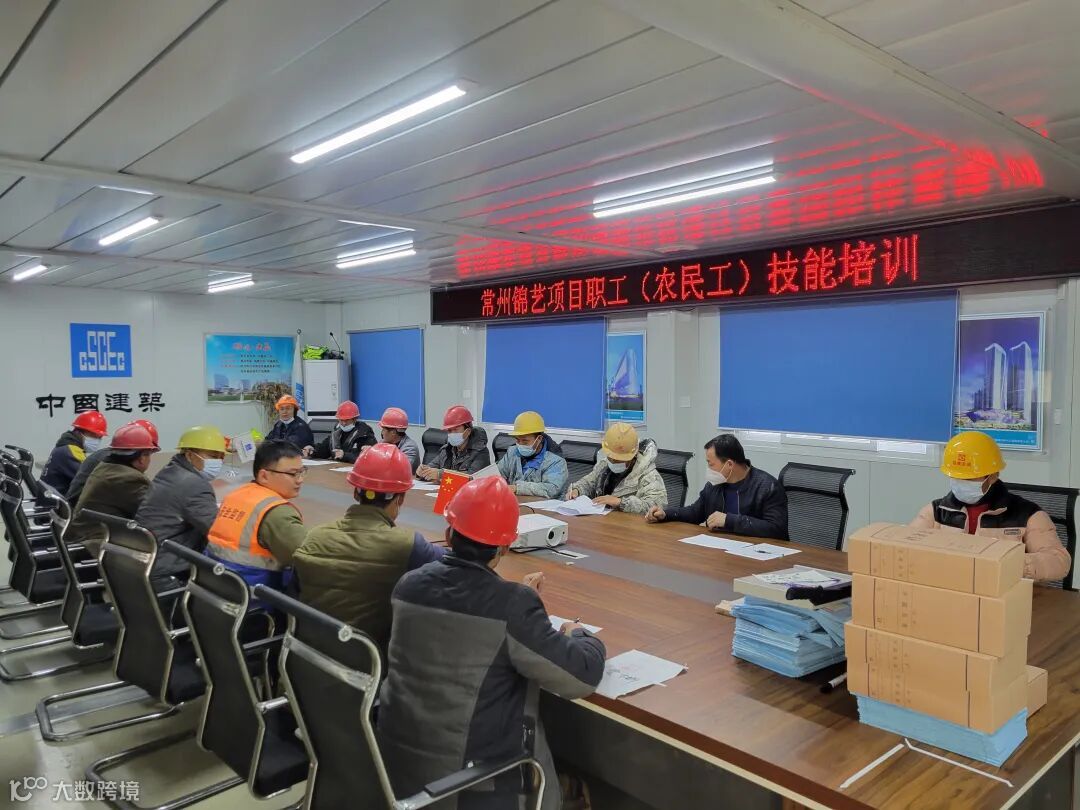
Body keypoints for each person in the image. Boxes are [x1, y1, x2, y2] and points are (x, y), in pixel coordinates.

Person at [378, 476, 606, 810]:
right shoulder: (512, 606)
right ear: (503, 549)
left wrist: (518, 601)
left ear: (448, 535)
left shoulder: (408, 586)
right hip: (472, 785)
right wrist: (579, 634)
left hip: (395, 770)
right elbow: (581, 676)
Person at [293, 443, 446, 653]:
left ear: (356, 493)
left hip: (304, 658)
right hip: (369, 664)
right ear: (401, 498)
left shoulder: (314, 536)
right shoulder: (407, 545)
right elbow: (454, 564)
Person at [911, 431, 1071, 582]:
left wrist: (1013, 565)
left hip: (1002, 593)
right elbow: (906, 546)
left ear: (993, 476)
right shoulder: (936, 511)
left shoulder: (1027, 515)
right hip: (951, 590)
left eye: (970, 478)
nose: (961, 483)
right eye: (956, 477)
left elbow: (1059, 561)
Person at [205, 439, 307, 590]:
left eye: (302, 472)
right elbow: (307, 558)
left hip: (212, 584)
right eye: (293, 474)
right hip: (252, 594)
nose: (300, 480)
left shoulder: (235, 495)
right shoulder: (276, 512)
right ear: (264, 476)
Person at [646, 434, 788, 540]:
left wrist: (729, 520)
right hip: (721, 551)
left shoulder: (768, 487)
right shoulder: (715, 484)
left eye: (711, 464)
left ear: (729, 464)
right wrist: (666, 514)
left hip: (758, 556)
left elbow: (776, 529)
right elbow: (695, 512)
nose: (708, 469)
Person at [138, 425, 227, 587]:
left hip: (146, 562)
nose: (218, 462)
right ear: (189, 455)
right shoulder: (194, 485)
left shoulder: (170, 472)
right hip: (168, 572)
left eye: (221, 457)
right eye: (213, 456)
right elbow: (218, 531)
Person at [67, 422, 159, 556]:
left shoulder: (105, 467)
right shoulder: (129, 479)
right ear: (142, 458)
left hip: (83, 537)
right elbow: (154, 514)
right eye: (149, 454)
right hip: (95, 545)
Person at [568, 423, 667, 515]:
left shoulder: (649, 475)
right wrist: (577, 490)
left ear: (633, 456)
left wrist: (620, 502)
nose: (613, 462)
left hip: (629, 525)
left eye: (619, 460)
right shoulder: (604, 465)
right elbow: (589, 482)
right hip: (602, 521)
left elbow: (656, 507)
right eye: (610, 458)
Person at [68, 419, 158, 506]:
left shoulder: (107, 462)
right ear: (142, 456)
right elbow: (152, 508)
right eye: (149, 453)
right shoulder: (128, 478)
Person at [496, 410, 569, 499]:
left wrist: (517, 488)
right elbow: (497, 474)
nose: (520, 444)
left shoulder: (556, 461)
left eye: (525, 441)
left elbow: (551, 489)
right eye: (517, 440)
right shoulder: (512, 452)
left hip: (545, 506)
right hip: (515, 503)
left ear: (539, 439)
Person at [416, 405, 491, 481]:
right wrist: (422, 472)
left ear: (468, 431)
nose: (452, 434)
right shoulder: (446, 450)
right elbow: (431, 469)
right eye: (449, 430)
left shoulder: (481, 452)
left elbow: (472, 478)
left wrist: (441, 474)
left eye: (455, 430)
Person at [41, 411, 108, 495]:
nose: (97, 441)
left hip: (52, 496)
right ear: (79, 432)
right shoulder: (71, 451)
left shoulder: (65, 446)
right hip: (59, 500)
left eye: (100, 438)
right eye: (94, 436)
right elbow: (90, 478)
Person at [302, 400, 375, 462]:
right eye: (341, 420)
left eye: (347, 420)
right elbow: (325, 449)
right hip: (336, 468)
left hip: (354, 470)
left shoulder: (364, 432)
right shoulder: (337, 431)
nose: (343, 423)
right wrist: (313, 450)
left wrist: (345, 455)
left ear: (355, 419)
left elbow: (368, 457)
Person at [378, 407, 420, 475]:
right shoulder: (382, 442)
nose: (382, 433)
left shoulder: (410, 448)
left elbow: (400, 470)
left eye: (383, 429)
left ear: (393, 432)